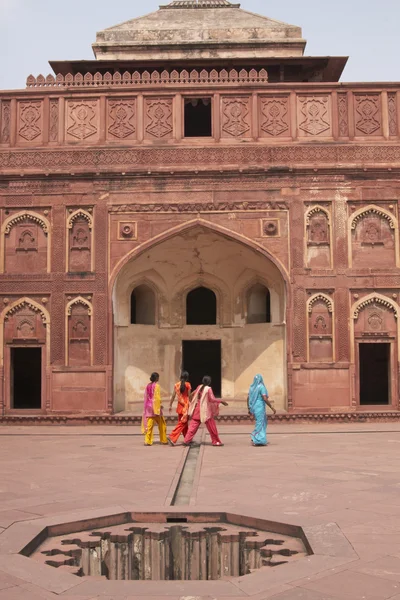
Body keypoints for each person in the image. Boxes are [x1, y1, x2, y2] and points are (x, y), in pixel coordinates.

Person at [184, 376, 228, 447]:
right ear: (209, 382)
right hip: (205, 411)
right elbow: (212, 399)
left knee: (193, 427)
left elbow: (192, 394)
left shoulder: (199, 387)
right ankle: (216, 441)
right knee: (212, 427)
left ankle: (186, 440)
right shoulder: (208, 389)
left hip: (197, 409)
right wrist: (221, 401)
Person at [247, 374, 276, 447]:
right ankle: (258, 439)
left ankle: (257, 437)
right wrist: (272, 407)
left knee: (260, 422)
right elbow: (265, 398)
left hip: (254, 407)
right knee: (260, 423)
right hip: (260, 407)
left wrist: (249, 408)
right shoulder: (261, 387)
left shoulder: (252, 388)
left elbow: (248, 398)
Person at [141, 372, 168, 446]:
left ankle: (147, 441)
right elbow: (157, 397)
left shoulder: (147, 386)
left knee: (149, 426)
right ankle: (163, 440)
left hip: (148, 408)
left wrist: (145, 407)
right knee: (162, 424)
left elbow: (145, 397)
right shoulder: (157, 386)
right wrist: (159, 406)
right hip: (155, 408)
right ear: (156, 378)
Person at [167, 371, 191, 446]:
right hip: (186, 407)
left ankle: (187, 439)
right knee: (182, 424)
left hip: (180, 407)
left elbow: (173, 396)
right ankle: (172, 437)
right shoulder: (188, 385)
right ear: (187, 377)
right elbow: (189, 396)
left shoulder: (176, 385)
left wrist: (170, 405)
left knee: (184, 424)